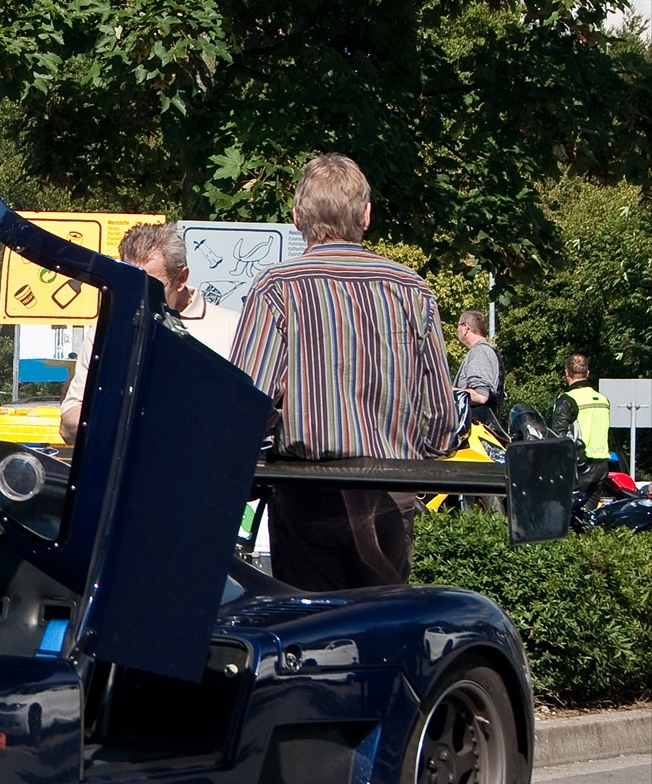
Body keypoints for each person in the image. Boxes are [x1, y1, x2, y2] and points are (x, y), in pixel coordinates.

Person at [229, 153, 454, 591]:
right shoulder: (413, 290)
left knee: (314, 639)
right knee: (381, 633)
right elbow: (442, 420)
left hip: (307, 496)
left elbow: (243, 405)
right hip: (390, 494)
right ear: (366, 215)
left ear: (297, 218)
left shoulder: (278, 288)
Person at [58, 221, 238, 440]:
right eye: (130, 286)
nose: (139, 298)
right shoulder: (105, 331)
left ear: (181, 279)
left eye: (151, 287)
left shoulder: (232, 328)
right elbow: (70, 423)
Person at [549, 353, 612, 500]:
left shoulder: (567, 400)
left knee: (568, 513)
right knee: (588, 515)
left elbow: (558, 437)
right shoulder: (603, 400)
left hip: (580, 467)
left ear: (566, 373)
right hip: (602, 466)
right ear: (588, 373)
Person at [453, 309, 502, 431]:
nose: (457, 331)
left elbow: (480, 395)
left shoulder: (480, 352)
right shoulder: (485, 350)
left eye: (458, 326)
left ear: (465, 328)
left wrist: (446, 391)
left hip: (475, 432)